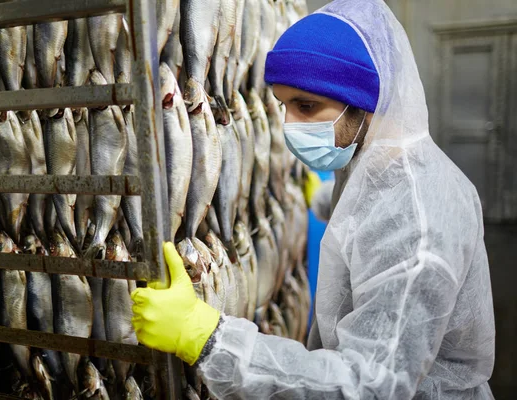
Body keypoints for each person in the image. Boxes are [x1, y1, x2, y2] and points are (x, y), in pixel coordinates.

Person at [130, 0, 496, 398]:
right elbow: (366, 216)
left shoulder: (416, 223)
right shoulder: (378, 167)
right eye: (283, 106)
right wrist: (321, 198)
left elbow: (369, 387)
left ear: (365, 103)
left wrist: (207, 339)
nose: (289, 126)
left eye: (307, 106)